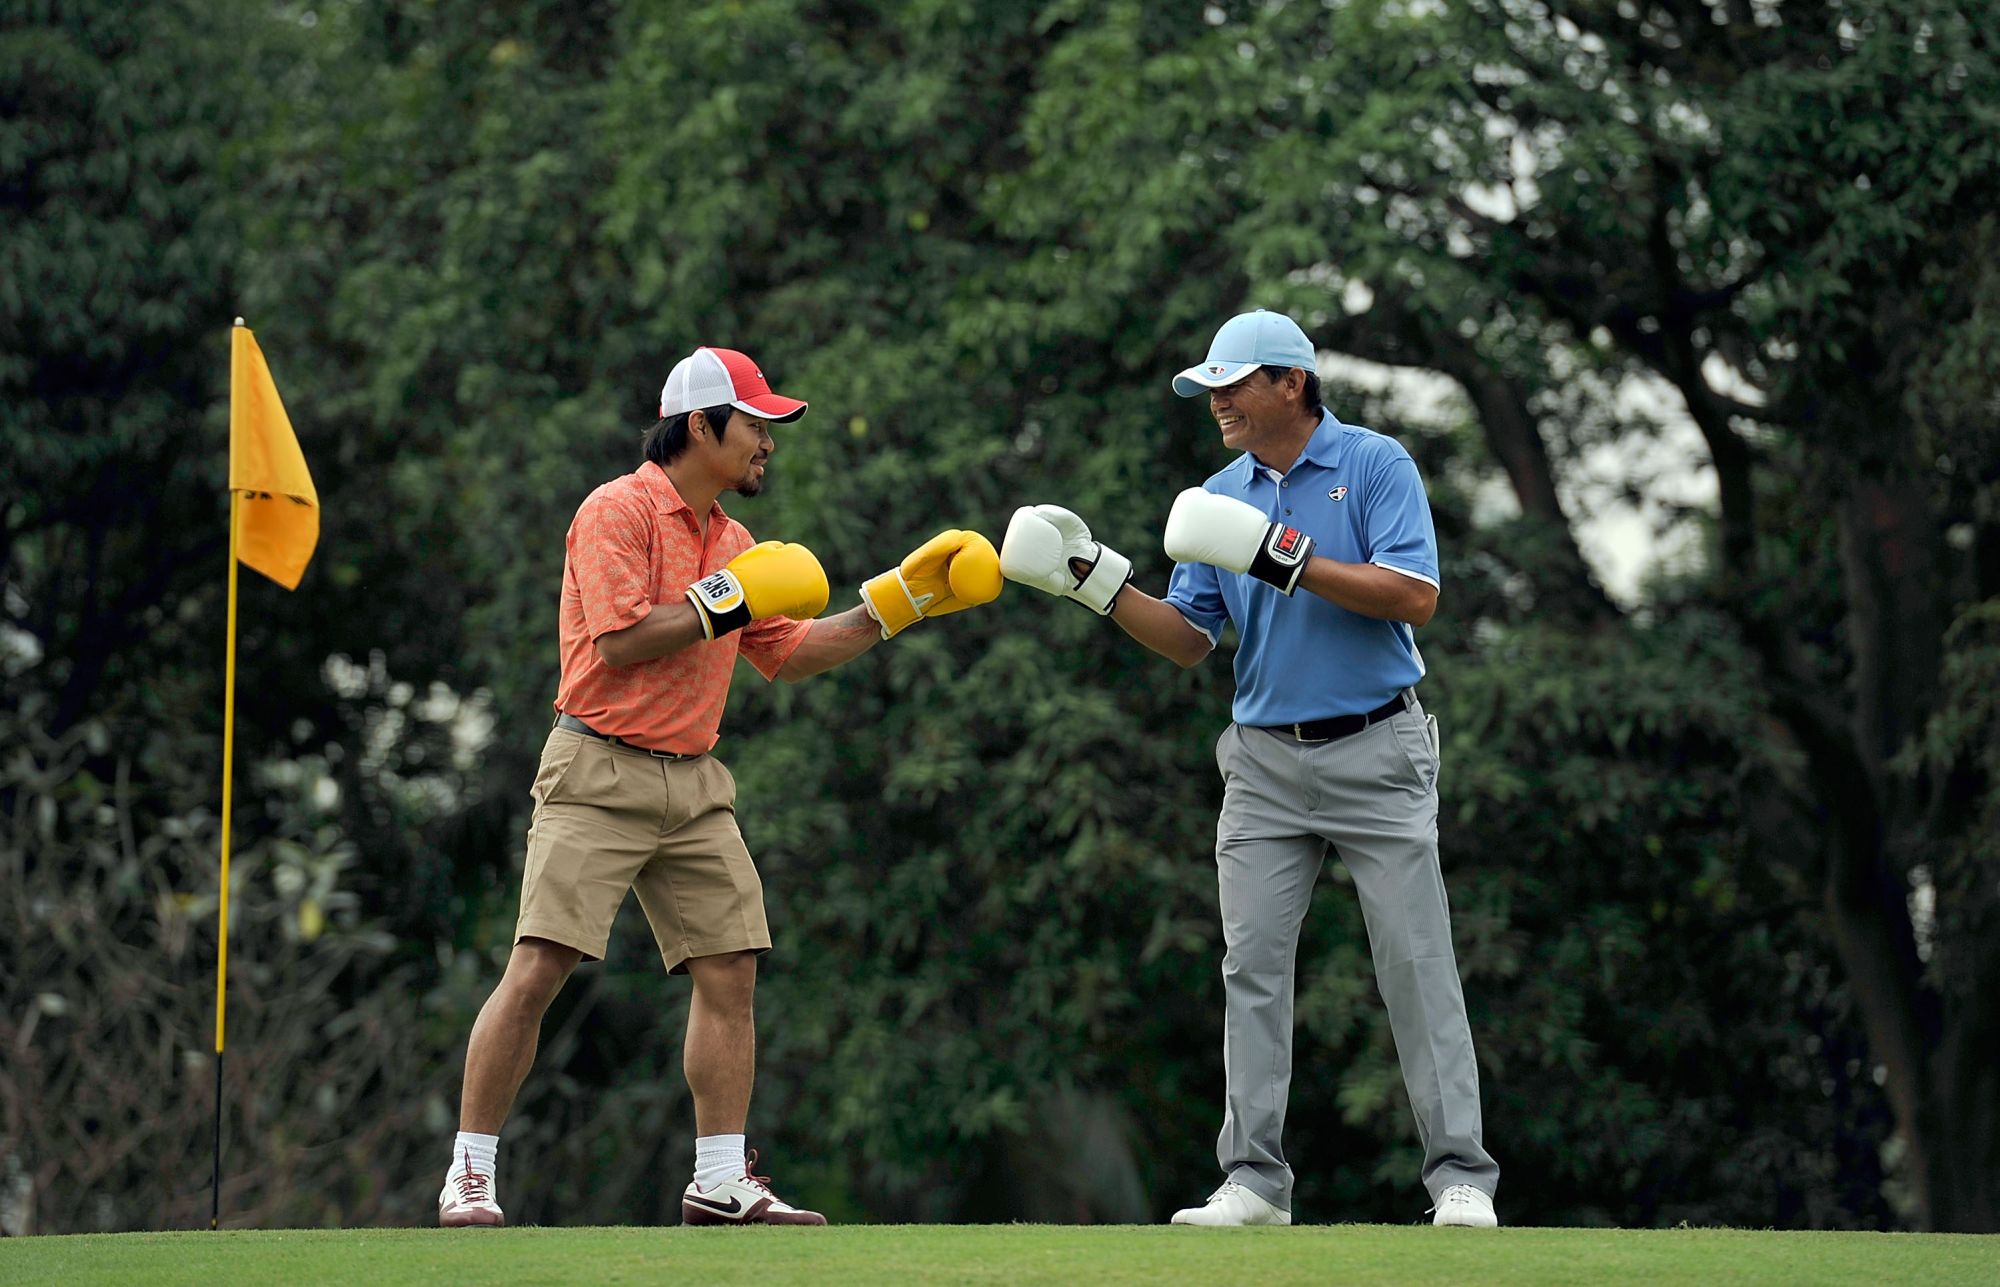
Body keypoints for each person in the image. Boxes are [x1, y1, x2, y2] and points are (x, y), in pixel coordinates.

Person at [438, 345, 1001, 1228]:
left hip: (695, 779)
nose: (769, 443)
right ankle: (469, 1171)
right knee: (542, 963)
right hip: (596, 768)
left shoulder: (733, 539)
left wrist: (903, 600)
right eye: (757, 424)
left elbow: (788, 652)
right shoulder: (613, 510)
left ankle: (719, 1177)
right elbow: (620, 640)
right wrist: (725, 600)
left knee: (731, 969)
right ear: (699, 426)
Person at [999, 309, 1500, 1228]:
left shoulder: (1374, 463)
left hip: (1377, 745)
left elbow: (1415, 595)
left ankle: (1460, 1177)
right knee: (1253, 966)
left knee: (1416, 964)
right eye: (1211, 387)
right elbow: (1190, 640)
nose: (1217, 399)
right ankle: (1255, 1181)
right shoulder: (1218, 491)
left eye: (1235, 383)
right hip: (1265, 761)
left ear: (1293, 382)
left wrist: (1281, 557)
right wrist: (1094, 580)